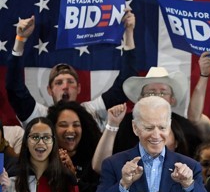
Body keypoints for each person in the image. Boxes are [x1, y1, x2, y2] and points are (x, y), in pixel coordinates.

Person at [5, 12, 137, 131]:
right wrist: (20, 40)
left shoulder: (93, 111)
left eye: (70, 82)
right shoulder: (39, 116)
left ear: (79, 88)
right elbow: (15, 89)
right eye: (58, 83)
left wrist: (128, 33)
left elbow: (124, 84)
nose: (65, 86)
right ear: (49, 90)